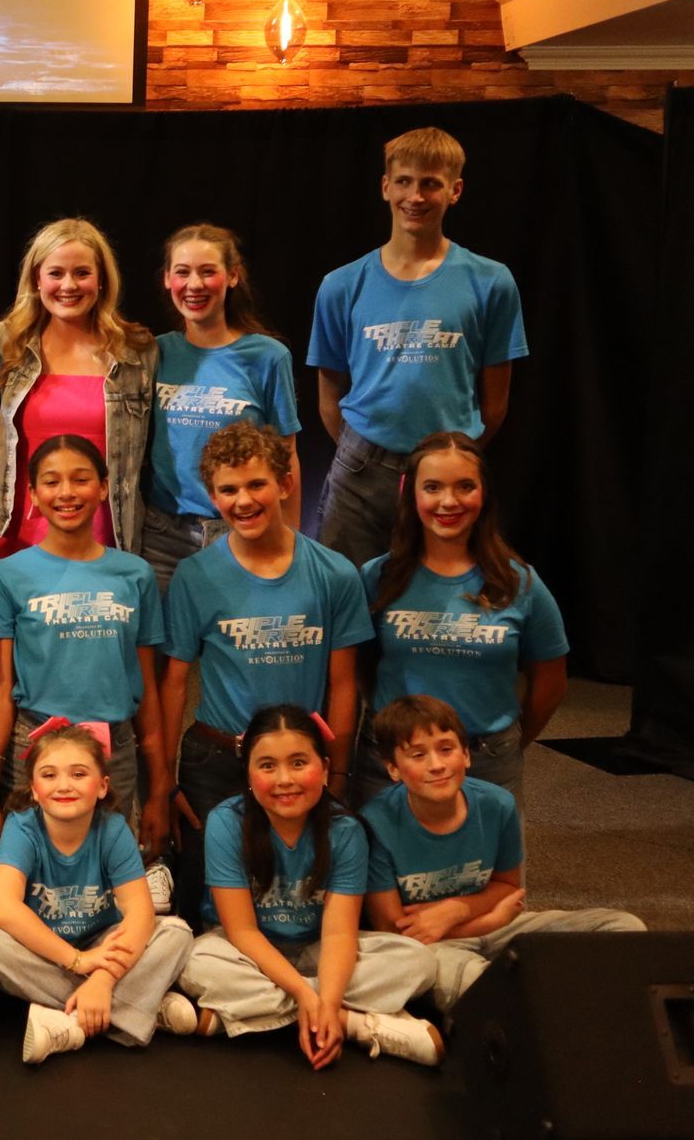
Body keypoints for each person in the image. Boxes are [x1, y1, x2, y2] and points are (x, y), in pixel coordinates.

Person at [309, 127, 527, 568]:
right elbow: (329, 396)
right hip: (360, 474)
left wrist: (452, 462)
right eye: (405, 181)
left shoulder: (491, 281)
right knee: (344, 602)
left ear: (455, 191)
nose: (416, 196)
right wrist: (363, 452)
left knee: (438, 604)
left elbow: (496, 403)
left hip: (449, 474)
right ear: (385, 187)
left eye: (430, 183)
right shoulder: (342, 285)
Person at [177, 706, 443, 1068]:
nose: (284, 779)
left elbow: (338, 935)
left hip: (317, 948)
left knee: (420, 961)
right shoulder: (227, 822)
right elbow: (241, 930)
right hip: (245, 951)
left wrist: (326, 1000)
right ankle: (356, 1025)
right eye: (267, 766)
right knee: (195, 962)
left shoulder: (345, 830)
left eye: (299, 763)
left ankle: (243, 1017)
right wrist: (306, 994)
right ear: (249, 776)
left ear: (325, 768)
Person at [162, 422, 371, 879]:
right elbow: (174, 682)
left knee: (297, 892)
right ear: (212, 497)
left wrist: (336, 775)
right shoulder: (195, 576)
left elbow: (343, 685)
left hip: (301, 762)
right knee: (206, 895)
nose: (244, 501)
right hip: (216, 761)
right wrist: (163, 779)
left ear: (285, 484)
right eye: (228, 489)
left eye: (257, 484)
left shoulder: (334, 574)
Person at [360, 695, 642, 1012]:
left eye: (446, 749)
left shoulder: (498, 804)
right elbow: (394, 930)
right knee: (477, 986)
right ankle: (559, 1007)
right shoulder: (376, 822)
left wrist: (455, 911)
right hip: (433, 946)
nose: (436, 765)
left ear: (466, 755)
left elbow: (508, 887)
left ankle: (561, 1002)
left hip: (493, 926)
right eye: (417, 755)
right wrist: (490, 917)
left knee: (624, 928)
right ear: (393, 769)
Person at [350, 432, 568, 804]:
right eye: (432, 487)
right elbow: (358, 668)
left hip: (487, 762)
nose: (448, 501)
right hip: (391, 761)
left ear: (484, 494)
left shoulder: (520, 584)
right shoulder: (377, 577)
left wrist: (504, 742)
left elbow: (550, 680)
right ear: (411, 494)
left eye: (465, 486)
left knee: (484, 865)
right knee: (387, 862)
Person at [0, 436, 165, 852]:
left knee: (109, 879)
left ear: (102, 487)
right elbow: (0, 691)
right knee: (29, 879)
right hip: (34, 744)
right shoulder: (5, 577)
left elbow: (147, 685)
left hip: (113, 748)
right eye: (51, 482)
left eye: (80, 480)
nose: (66, 493)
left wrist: (160, 791)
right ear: (32, 493)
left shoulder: (135, 575)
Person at [0, 722, 193, 1062]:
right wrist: (78, 961)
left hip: (102, 945)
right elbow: (2, 907)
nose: (64, 786)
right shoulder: (22, 828)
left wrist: (103, 979)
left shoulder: (112, 828)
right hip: (45, 951)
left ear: (102, 786)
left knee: (175, 933)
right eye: (49, 775)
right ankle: (140, 1009)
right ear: (33, 789)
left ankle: (70, 1023)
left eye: (78, 774)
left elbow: (140, 911)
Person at [145, 224, 301, 593]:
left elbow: (287, 456)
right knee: (171, 649)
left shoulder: (267, 357)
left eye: (208, 271)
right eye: (182, 272)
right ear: (168, 279)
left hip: (239, 530)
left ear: (232, 276)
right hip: (161, 537)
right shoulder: (152, 353)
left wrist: (289, 540)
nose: (194, 284)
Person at [0, 218, 155, 560]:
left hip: (107, 536)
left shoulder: (137, 350)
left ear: (102, 280)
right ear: (37, 279)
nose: (68, 285)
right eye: (56, 273)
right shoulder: (11, 342)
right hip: (20, 533)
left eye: (82, 273)